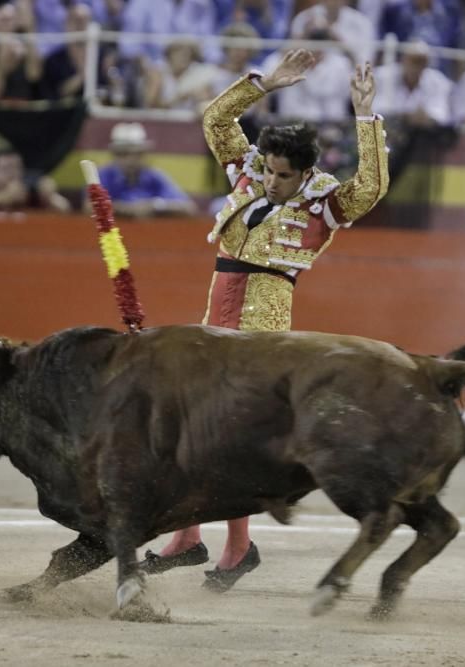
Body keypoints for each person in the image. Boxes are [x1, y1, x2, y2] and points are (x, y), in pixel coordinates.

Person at [138, 48, 389, 593]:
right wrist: (263, 84)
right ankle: (190, 538)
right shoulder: (249, 177)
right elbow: (215, 119)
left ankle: (233, 547)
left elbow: (370, 188)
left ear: (306, 173)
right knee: (193, 428)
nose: (272, 181)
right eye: (270, 170)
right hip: (218, 312)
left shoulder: (322, 205)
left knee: (226, 438)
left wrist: (365, 116)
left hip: (263, 322)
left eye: (283, 175)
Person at [88, 122, 197, 217]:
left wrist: (154, 206)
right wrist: (124, 209)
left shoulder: (155, 177)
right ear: (114, 155)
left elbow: (188, 208)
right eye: (123, 154)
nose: (130, 159)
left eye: (136, 154)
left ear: (144, 154)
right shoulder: (103, 176)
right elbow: (90, 207)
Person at [0, 147, 71, 212]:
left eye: (16, 168)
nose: (12, 173)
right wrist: (4, 196)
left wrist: (50, 196)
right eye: (6, 168)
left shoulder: (30, 193)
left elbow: (64, 209)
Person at [373, 40, 453, 127]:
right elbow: (376, 110)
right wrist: (406, 116)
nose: (416, 66)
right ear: (403, 60)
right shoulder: (382, 76)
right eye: (413, 61)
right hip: (388, 129)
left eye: (421, 62)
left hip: (422, 132)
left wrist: (427, 117)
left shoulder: (438, 81)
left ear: (427, 64)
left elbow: (442, 116)